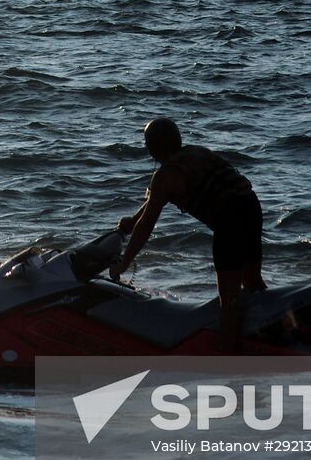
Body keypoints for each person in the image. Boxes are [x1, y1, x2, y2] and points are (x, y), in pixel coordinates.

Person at [111, 118, 267, 353]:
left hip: (230, 217)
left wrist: (123, 263)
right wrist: (132, 222)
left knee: (229, 298)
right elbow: (155, 201)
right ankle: (271, 327)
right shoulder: (195, 152)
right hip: (250, 205)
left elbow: (148, 224)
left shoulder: (165, 175)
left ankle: (229, 358)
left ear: (152, 147)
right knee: (252, 281)